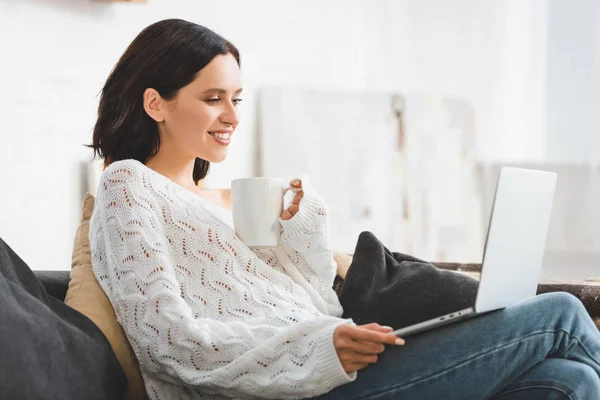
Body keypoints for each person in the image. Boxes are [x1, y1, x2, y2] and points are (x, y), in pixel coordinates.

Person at [87, 18, 600, 399]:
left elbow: (315, 306)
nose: (230, 116)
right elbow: (168, 342)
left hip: (329, 373)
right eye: (213, 98)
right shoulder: (128, 185)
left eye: (237, 99)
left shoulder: (227, 201)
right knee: (561, 314)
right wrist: (319, 349)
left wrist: (304, 236)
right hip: (291, 389)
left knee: (567, 380)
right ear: (156, 104)